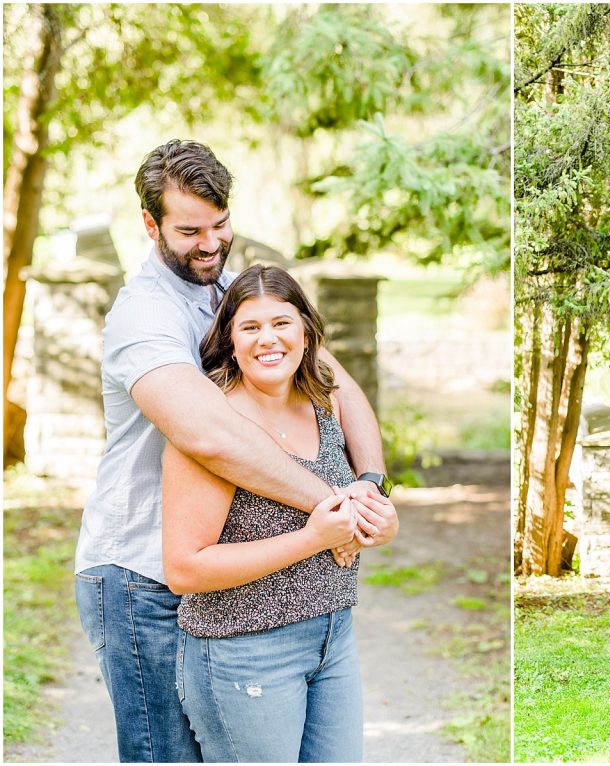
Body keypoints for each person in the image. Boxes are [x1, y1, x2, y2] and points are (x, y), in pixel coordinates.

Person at [74, 139, 398, 763]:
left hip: (222, 579)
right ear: (151, 225)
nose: (209, 242)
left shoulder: (226, 289)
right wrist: (335, 512)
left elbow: (338, 384)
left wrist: (372, 484)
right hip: (142, 576)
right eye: (190, 230)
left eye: (220, 225)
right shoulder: (144, 315)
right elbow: (207, 435)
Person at [164, 264, 378, 761]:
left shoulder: (322, 407)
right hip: (246, 653)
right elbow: (184, 568)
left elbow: (349, 509)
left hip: (333, 636)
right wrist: (312, 538)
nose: (268, 339)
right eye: (250, 327)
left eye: (281, 323)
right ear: (230, 341)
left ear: (306, 334)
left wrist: (376, 519)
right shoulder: (214, 427)